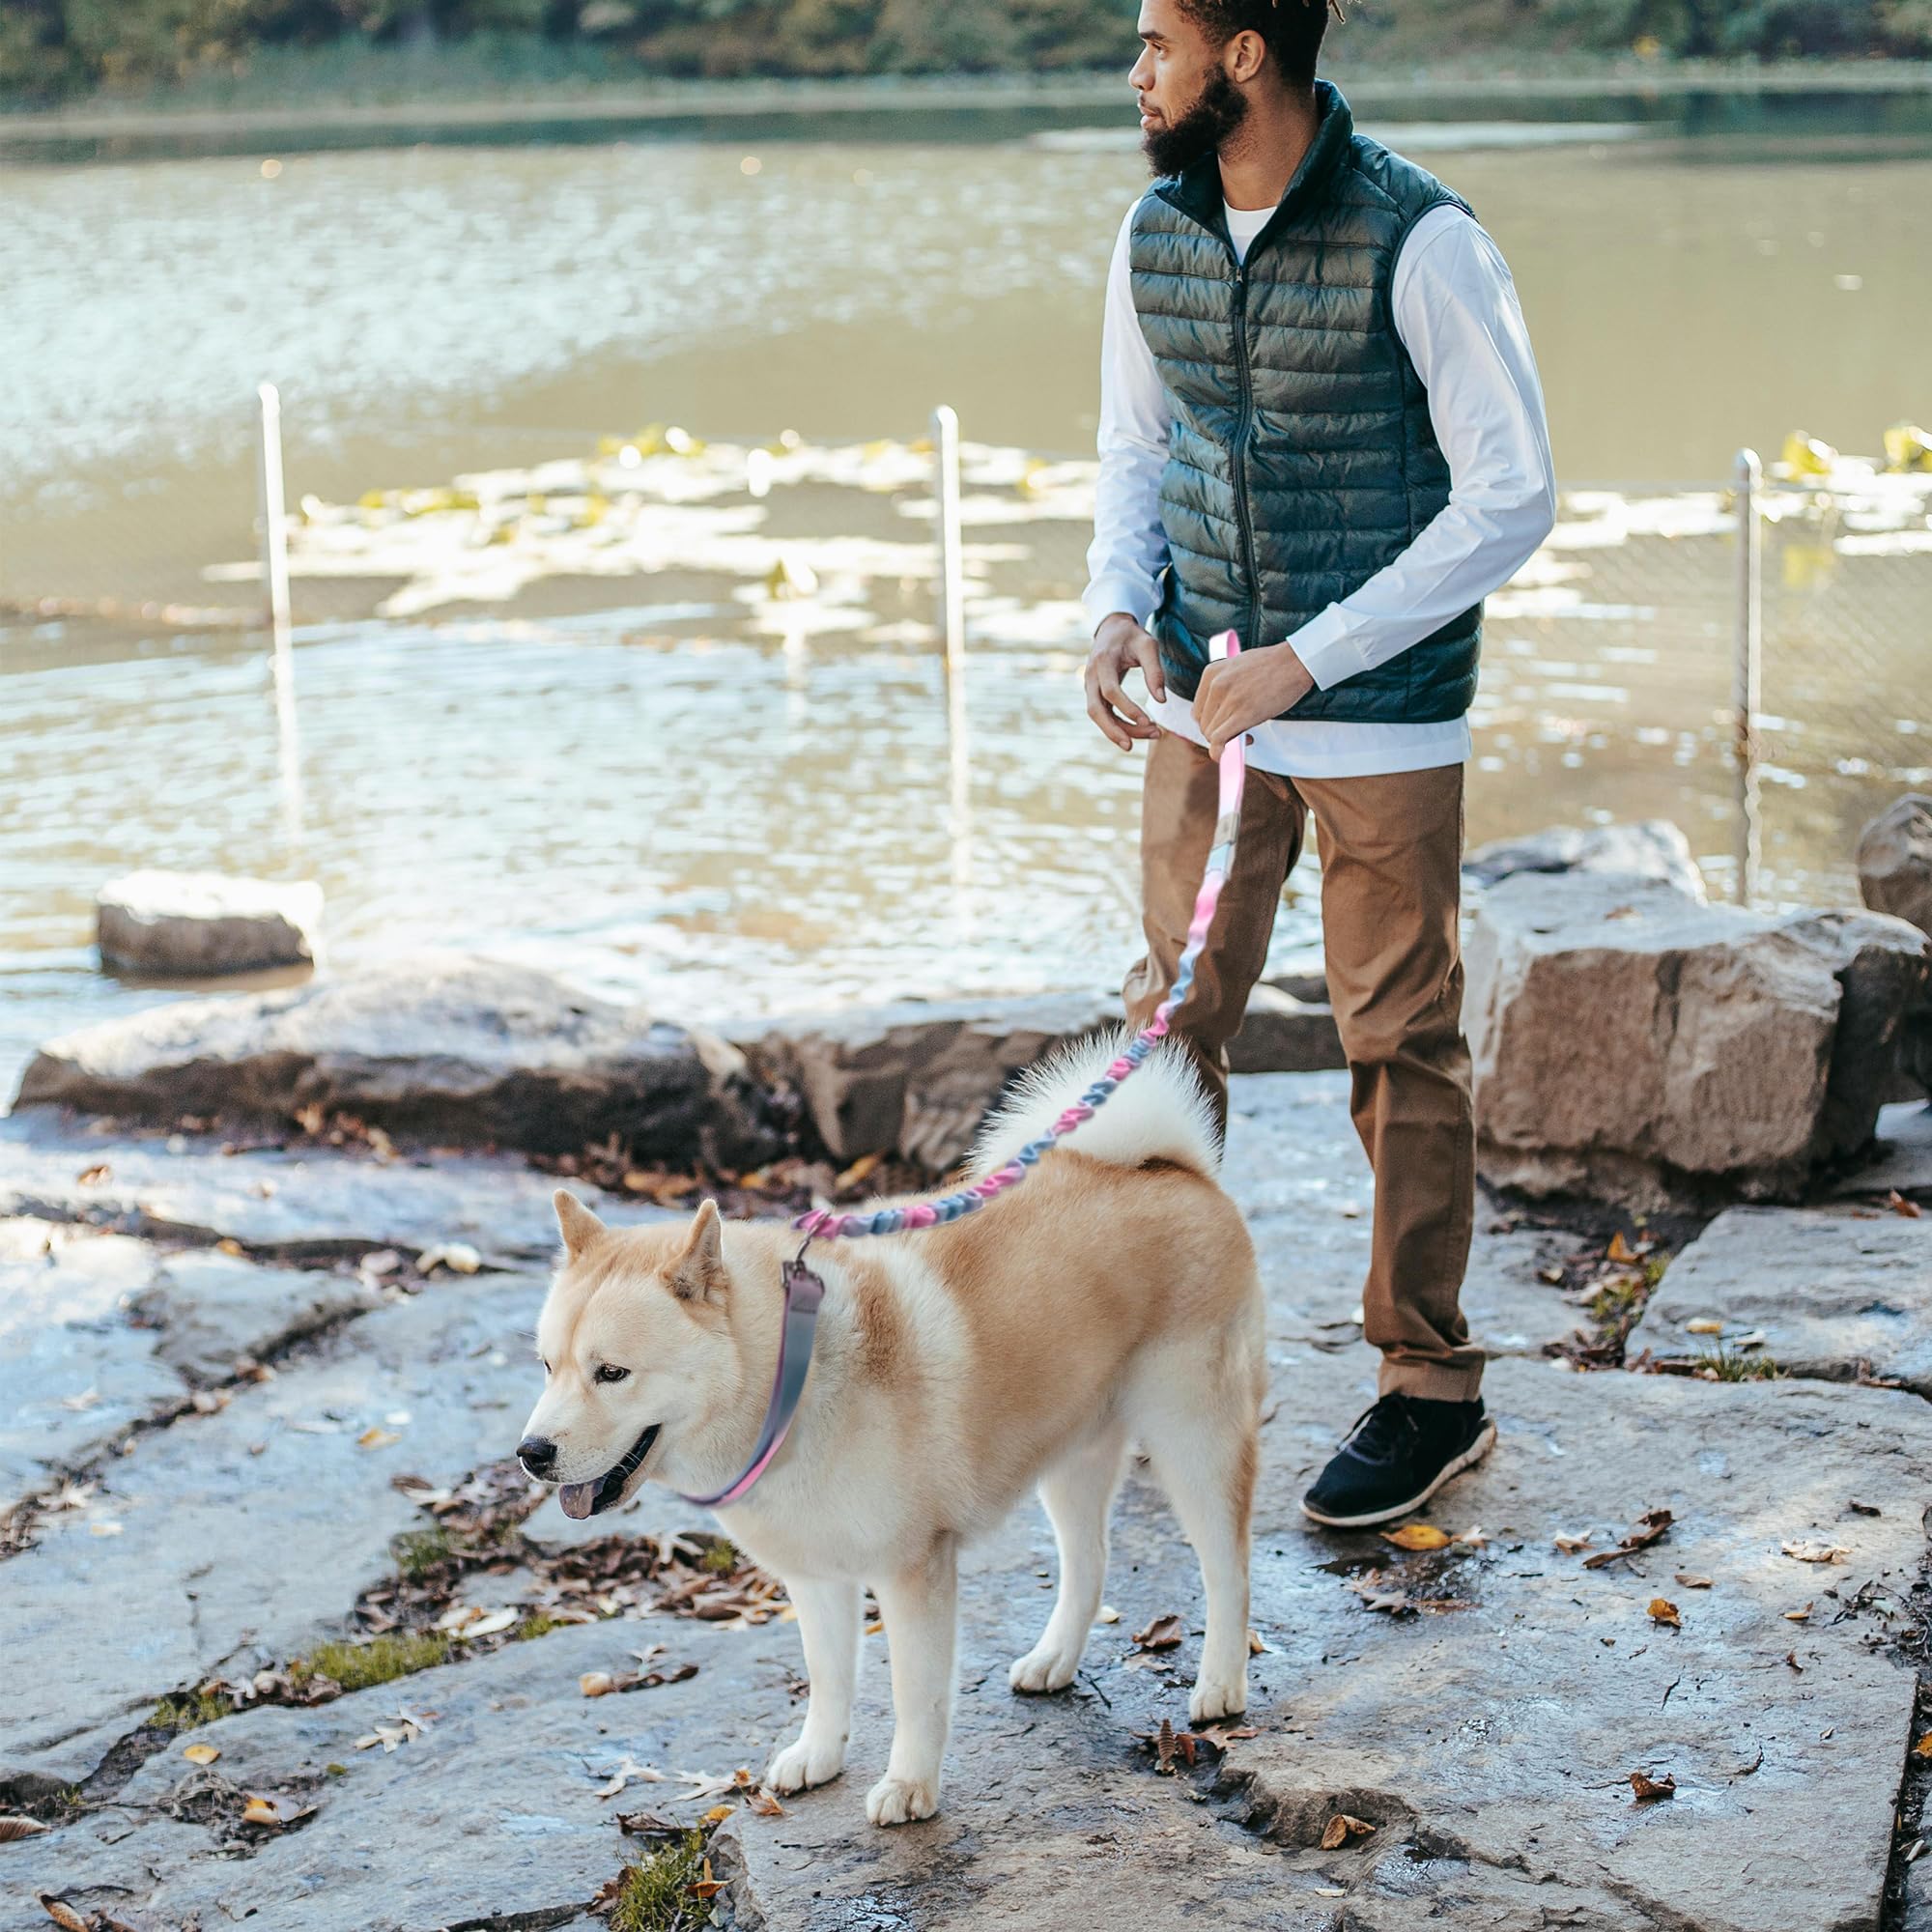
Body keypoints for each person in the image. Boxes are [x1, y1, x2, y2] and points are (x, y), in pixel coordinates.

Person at [1082, 0, 1557, 1528]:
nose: (1134, 66)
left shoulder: (1422, 241)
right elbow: (1134, 450)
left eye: (1157, 36)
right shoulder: (1153, 234)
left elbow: (1512, 494)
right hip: (1205, 712)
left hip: (1381, 714)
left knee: (1400, 1039)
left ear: (1243, 55)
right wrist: (1113, 613)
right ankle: (1152, 1352)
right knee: (1170, 1026)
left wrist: (1317, 655)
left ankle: (1431, 1388)